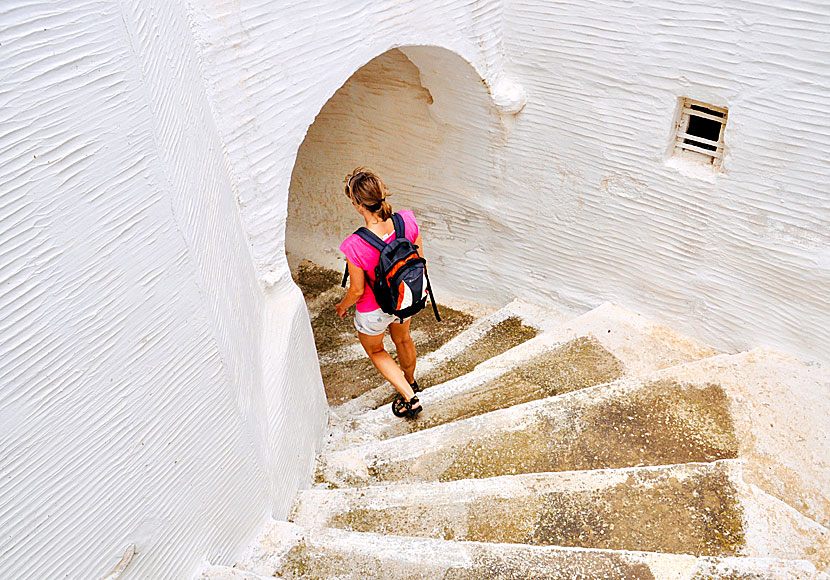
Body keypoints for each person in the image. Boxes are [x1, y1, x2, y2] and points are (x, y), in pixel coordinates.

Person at [335, 168, 423, 418]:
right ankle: (410, 381)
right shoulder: (408, 220)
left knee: (376, 350)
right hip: (405, 297)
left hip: (374, 310)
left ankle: (410, 397)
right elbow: (420, 259)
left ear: (357, 205)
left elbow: (357, 289)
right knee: (403, 339)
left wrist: (343, 306)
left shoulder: (355, 245)